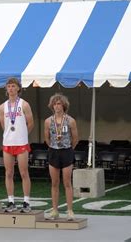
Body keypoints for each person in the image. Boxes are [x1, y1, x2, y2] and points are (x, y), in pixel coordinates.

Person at [0, 77, 34, 213]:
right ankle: (11, 201)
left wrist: (23, 134)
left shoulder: (24, 104)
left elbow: (30, 123)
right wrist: (11, 134)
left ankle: (26, 201)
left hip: (21, 143)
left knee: (24, 172)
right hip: (8, 142)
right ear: (6, 89)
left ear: (18, 88)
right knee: (8, 173)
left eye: (13, 86)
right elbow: (4, 125)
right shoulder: (2, 107)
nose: (11, 89)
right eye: (9, 86)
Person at [44, 93, 79, 221]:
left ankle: (70, 210)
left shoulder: (70, 120)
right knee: (54, 182)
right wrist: (53, 147)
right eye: (54, 103)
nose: (56, 106)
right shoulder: (48, 121)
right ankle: (55, 210)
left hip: (67, 151)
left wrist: (69, 148)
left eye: (59, 103)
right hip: (53, 151)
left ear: (64, 105)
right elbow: (46, 138)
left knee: (67, 182)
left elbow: (75, 139)